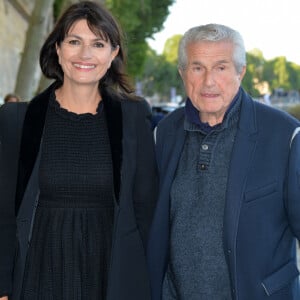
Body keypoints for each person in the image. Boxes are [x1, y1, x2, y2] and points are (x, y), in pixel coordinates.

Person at [0, 1, 158, 299]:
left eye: (98, 44)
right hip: (37, 276)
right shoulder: (17, 120)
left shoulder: (133, 119)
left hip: (110, 277)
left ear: (113, 54)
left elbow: (145, 213)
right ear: (58, 48)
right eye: (74, 41)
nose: (85, 55)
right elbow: (4, 210)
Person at [147, 23, 300, 300]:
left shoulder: (285, 136)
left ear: (240, 72)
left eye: (221, 67)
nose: (208, 81)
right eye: (197, 67)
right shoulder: (163, 135)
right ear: (183, 73)